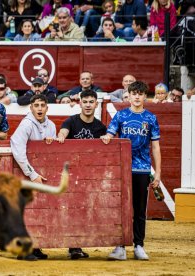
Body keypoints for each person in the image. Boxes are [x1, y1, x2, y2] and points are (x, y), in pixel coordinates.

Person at [101, 81, 161, 261]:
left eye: (140, 94)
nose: (136, 97)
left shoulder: (151, 118)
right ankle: (120, 246)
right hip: (123, 169)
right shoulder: (120, 116)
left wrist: (157, 174)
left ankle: (139, 245)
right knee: (121, 209)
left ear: (145, 96)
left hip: (142, 169)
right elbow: (110, 134)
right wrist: (107, 137)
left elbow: (156, 148)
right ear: (128, 95)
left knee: (140, 209)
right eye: (133, 93)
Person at [11, 94, 60, 261]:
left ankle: (36, 246)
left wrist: (50, 141)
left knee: (37, 210)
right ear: (31, 108)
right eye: (36, 105)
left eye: (42, 105)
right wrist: (31, 174)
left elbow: (51, 152)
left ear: (47, 108)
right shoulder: (26, 125)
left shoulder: (51, 125)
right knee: (25, 211)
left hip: (40, 175)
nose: (39, 108)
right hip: (27, 175)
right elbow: (17, 150)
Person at [58, 89, 106, 259]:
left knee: (85, 209)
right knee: (72, 209)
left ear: (96, 104)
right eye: (84, 102)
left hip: (89, 175)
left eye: (90, 102)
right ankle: (74, 246)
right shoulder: (71, 121)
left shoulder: (100, 127)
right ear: (80, 103)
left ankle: (76, 245)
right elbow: (63, 132)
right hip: (72, 174)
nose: (87, 105)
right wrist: (61, 137)